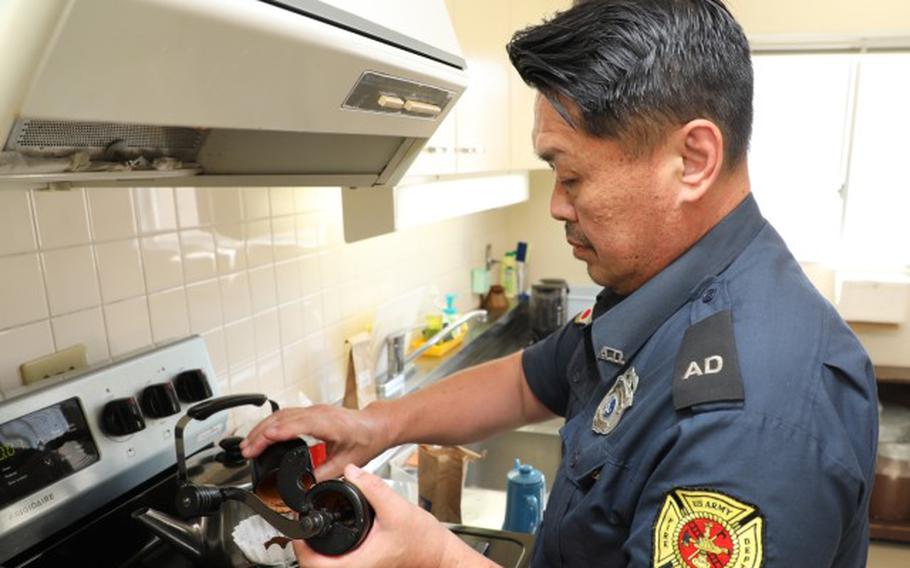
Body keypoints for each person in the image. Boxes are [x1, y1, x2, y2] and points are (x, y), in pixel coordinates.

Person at [241, 1, 879, 565]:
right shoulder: (659, 290)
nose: (555, 206)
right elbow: (528, 381)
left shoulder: (756, 422)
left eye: (570, 176)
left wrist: (433, 558)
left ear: (692, 160)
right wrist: (378, 423)